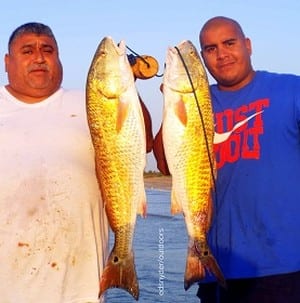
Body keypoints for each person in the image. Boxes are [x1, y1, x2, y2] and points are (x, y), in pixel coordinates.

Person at [0, 22, 153, 303]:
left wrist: (128, 88)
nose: (38, 57)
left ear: (58, 58)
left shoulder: (89, 102)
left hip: (79, 292)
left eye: (48, 49)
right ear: (7, 62)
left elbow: (141, 144)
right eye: (27, 50)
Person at [154, 16, 300, 302]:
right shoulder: (198, 101)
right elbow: (163, 163)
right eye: (210, 48)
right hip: (214, 267)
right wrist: (171, 105)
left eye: (229, 43)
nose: (221, 54)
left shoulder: (291, 90)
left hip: (285, 265)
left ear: (248, 45)